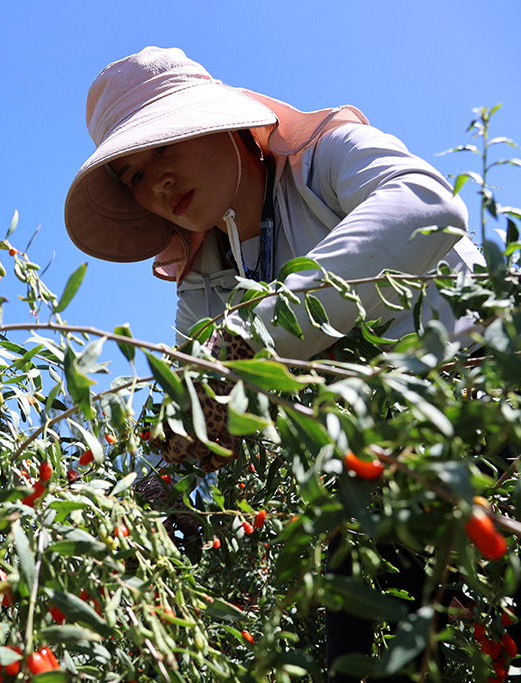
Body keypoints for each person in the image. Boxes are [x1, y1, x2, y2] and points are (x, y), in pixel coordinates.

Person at [63, 47, 487, 681]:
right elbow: (195, 414)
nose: (156, 182)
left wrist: (249, 343)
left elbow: (428, 213)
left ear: (224, 126)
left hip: (479, 409)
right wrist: (130, 498)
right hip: (377, 478)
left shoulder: (324, 159)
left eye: (164, 147)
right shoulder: (203, 280)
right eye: (131, 175)